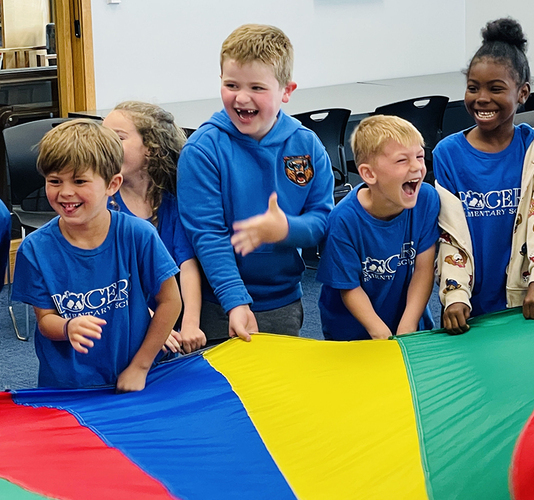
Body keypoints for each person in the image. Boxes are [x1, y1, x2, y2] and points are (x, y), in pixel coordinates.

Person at [177, 24, 333, 343]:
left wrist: (285, 229)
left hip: (284, 299)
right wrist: (235, 300)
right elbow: (208, 235)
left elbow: (322, 219)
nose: (241, 97)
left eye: (257, 88)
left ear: (286, 91)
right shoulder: (203, 150)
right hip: (219, 303)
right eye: (231, 84)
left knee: (281, 386)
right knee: (223, 389)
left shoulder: (307, 144)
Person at [12, 119, 181, 391]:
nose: (65, 192)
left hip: (138, 376)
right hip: (70, 386)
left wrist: (140, 365)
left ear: (112, 184)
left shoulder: (139, 235)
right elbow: (45, 320)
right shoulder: (34, 250)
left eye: (79, 181)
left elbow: (171, 302)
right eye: (54, 181)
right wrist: (68, 327)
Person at [433, 18, 534, 333]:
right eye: (473, 87)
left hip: (523, 301)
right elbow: (449, 233)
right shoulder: (447, 154)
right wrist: (454, 294)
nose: (482, 98)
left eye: (496, 89)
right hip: (468, 305)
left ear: (522, 93)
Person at [316, 116, 439, 341]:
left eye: (420, 156)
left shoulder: (427, 199)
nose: (417, 167)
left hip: (406, 321)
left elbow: (423, 269)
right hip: (354, 333)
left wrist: (409, 324)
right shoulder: (342, 221)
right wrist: (379, 332)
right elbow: (349, 287)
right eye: (402, 160)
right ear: (369, 174)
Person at [103, 101, 205, 353]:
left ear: (151, 148)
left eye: (118, 138)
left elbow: (187, 262)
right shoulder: (103, 204)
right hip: (118, 318)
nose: (106, 147)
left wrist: (191, 323)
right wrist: (153, 320)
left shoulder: (172, 198)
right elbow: (110, 278)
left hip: (166, 311)